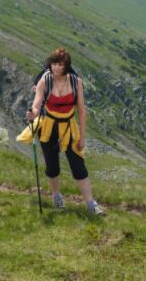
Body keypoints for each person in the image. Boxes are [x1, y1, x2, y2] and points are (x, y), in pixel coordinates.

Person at [26, 48, 105, 215]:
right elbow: (37, 103)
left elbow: (82, 111)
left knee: (78, 166)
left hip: (69, 127)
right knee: (52, 166)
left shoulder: (76, 82)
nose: (56, 67)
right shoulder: (44, 81)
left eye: (60, 64)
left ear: (66, 66)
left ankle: (91, 204)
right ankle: (56, 196)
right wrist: (32, 113)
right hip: (48, 126)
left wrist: (82, 137)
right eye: (54, 63)